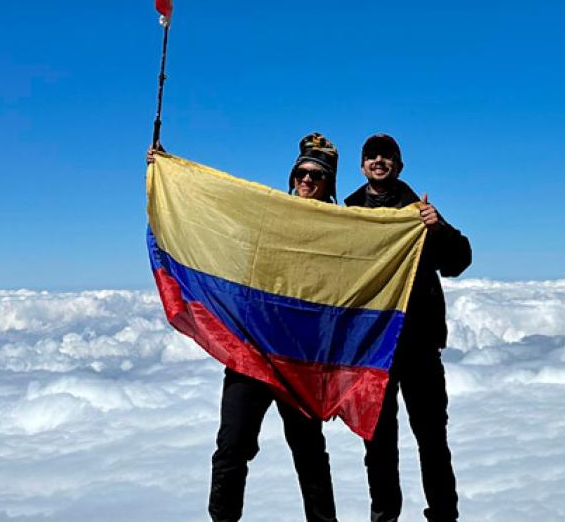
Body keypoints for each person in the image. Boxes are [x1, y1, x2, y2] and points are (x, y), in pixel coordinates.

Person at [148, 133, 342, 522]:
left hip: (302, 359)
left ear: (328, 184)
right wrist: (169, 174)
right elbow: (217, 212)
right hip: (251, 352)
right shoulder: (268, 214)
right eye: (302, 173)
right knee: (231, 448)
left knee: (309, 453)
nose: (307, 181)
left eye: (316, 176)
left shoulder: (341, 230)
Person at [345, 133, 472, 522]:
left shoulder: (418, 212)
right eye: (372, 156)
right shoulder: (348, 214)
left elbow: (457, 262)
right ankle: (384, 517)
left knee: (432, 439)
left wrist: (438, 229)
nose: (379, 161)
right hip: (372, 347)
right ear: (363, 165)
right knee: (378, 442)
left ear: (398, 165)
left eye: (387, 156)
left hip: (418, 344)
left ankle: (444, 516)